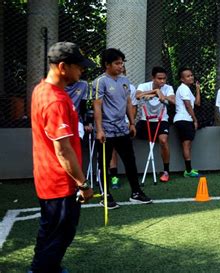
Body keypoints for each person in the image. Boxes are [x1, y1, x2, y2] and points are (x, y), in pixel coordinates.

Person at [30, 42, 94, 273]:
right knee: (58, 235)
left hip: (50, 178)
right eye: (79, 67)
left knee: (52, 233)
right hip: (59, 183)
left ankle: (49, 267)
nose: (82, 71)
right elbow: (63, 150)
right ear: (63, 67)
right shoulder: (54, 100)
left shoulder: (42, 90)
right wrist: (83, 184)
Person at [93, 48, 152, 209]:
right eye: (117, 63)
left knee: (130, 161)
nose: (120, 66)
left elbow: (128, 103)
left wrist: (132, 123)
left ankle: (136, 193)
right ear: (107, 64)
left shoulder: (125, 81)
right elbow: (97, 107)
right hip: (106, 129)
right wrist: (99, 130)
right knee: (103, 163)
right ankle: (105, 195)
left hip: (122, 129)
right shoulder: (100, 82)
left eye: (122, 63)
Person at [134, 66, 175, 182]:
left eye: (164, 79)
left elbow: (173, 100)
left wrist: (160, 95)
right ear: (153, 78)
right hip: (144, 119)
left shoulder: (168, 88)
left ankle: (166, 171)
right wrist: (156, 91)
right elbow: (138, 95)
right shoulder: (143, 86)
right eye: (159, 79)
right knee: (128, 136)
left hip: (161, 119)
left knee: (163, 140)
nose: (162, 81)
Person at [174, 67, 201, 177]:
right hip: (183, 119)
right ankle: (188, 171)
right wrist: (195, 119)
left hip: (186, 119)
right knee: (186, 144)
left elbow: (197, 103)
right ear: (182, 79)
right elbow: (188, 105)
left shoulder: (187, 89)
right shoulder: (183, 88)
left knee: (188, 144)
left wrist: (198, 89)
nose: (191, 77)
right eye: (188, 76)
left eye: (191, 75)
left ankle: (189, 170)